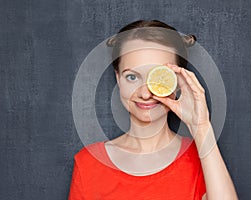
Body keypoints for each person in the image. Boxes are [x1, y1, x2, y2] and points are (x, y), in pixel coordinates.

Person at [68, 19, 238, 200]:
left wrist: (202, 127)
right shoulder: (89, 163)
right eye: (132, 77)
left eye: (158, 78)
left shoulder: (202, 160)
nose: (145, 93)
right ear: (118, 79)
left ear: (177, 81)